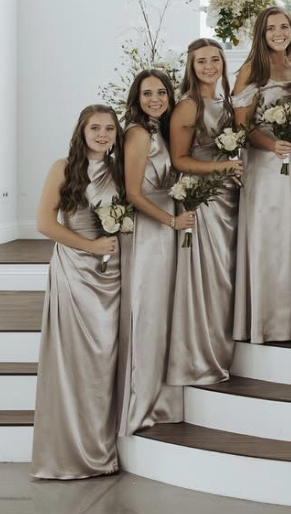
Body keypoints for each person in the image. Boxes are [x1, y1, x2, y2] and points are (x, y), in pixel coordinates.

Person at [31, 105, 124, 479]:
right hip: (75, 271)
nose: (102, 135)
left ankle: (102, 447)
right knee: (74, 360)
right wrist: (91, 248)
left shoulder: (119, 170)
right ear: (82, 131)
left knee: (104, 361)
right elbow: (43, 223)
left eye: (109, 129)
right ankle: (68, 453)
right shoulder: (64, 168)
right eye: (95, 128)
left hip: (112, 274)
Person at [167, 38, 243, 385]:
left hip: (230, 195)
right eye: (201, 61)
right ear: (191, 66)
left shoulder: (224, 101)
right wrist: (222, 168)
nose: (209, 66)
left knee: (228, 276)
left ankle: (225, 347)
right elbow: (179, 160)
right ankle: (201, 356)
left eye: (215, 59)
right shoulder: (188, 106)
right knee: (210, 278)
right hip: (205, 198)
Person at [231, 6, 291, 343]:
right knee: (269, 237)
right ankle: (266, 321)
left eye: (285, 27)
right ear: (261, 34)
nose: (279, 33)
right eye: (271, 29)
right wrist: (271, 144)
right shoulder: (251, 70)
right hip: (264, 162)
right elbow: (242, 127)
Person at [117, 69, 188, 434]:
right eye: (147, 94)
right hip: (149, 230)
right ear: (136, 98)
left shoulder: (160, 130)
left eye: (161, 92)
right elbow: (132, 194)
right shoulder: (138, 133)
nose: (156, 99)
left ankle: (161, 399)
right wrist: (171, 222)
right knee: (148, 313)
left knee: (164, 312)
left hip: (166, 225)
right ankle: (141, 402)